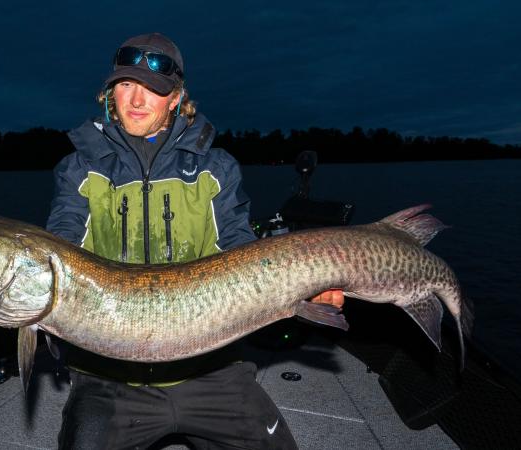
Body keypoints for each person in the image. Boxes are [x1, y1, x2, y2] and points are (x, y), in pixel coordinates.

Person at [46, 32, 344, 450]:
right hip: (110, 377)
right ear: (109, 93)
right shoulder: (78, 170)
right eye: (125, 85)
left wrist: (302, 289)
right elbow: (62, 245)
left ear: (175, 98)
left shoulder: (216, 168)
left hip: (213, 370)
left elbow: (242, 253)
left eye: (152, 88)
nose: (135, 99)